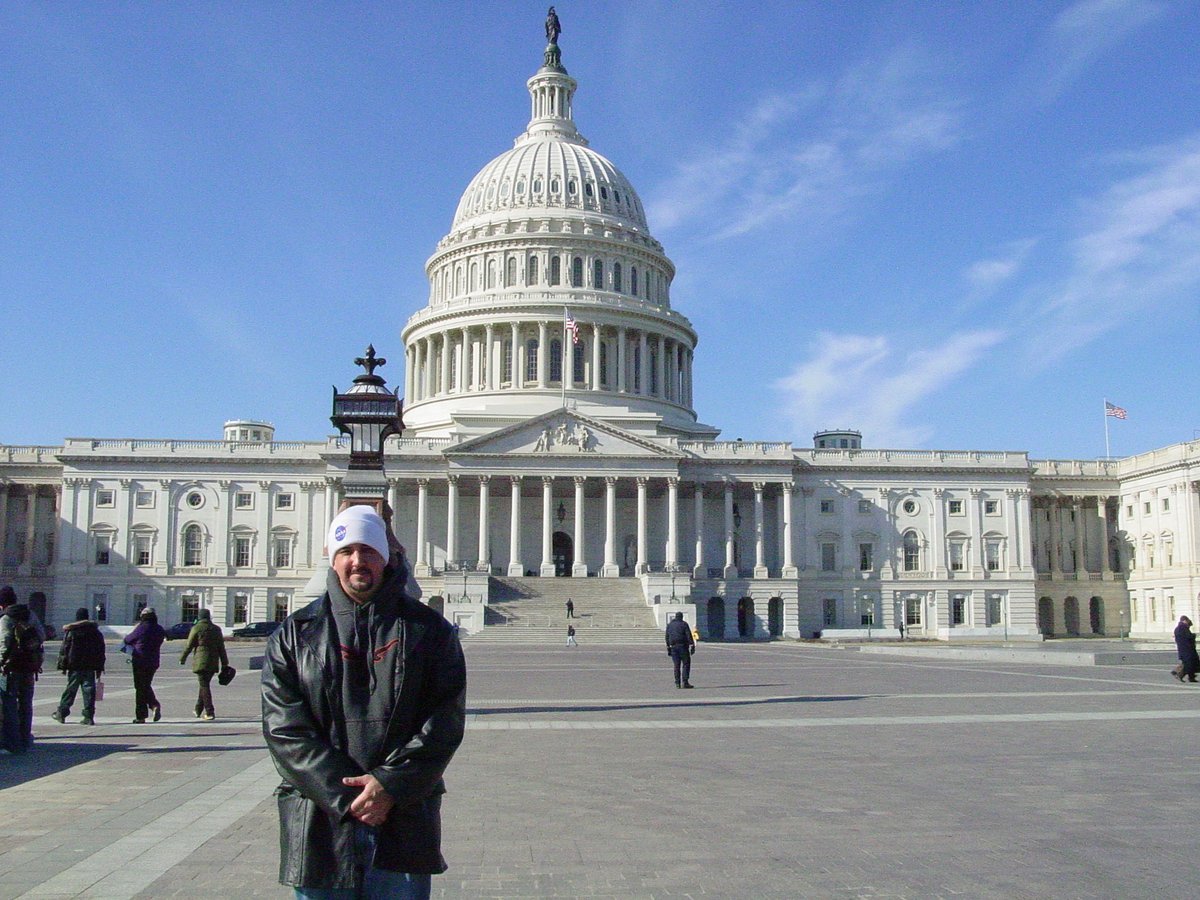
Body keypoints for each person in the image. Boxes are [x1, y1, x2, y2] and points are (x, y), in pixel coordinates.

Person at [262, 504, 466, 899]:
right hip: (320, 821)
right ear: (332, 558)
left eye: (369, 550)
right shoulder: (293, 635)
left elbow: (445, 721)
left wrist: (389, 786)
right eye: (347, 551)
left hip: (402, 819)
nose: (358, 561)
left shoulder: (430, 631)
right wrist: (350, 796)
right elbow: (284, 729)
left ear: (385, 557)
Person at [50, 607, 106, 726]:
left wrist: (63, 666)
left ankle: (62, 713)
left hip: (74, 665)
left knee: (70, 690)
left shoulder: (72, 631)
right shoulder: (95, 632)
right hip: (90, 665)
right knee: (89, 691)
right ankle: (89, 716)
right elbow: (101, 651)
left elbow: (65, 650)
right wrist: (100, 667)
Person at [180, 609, 228, 720]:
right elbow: (221, 648)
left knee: (204, 685)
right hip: (213, 661)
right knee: (204, 684)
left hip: (200, 661)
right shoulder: (216, 629)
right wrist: (225, 663)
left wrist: (182, 658)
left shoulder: (196, 628)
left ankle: (209, 711)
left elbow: (189, 645)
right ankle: (197, 709)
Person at [123, 607, 166, 722]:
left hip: (140, 660)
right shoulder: (159, 629)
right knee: (146, 685)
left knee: (140, 687)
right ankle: (153, 706)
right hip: (154, 661)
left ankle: (142, 715)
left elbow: (128, 639)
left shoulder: (141, 627)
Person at [665, 611, 695, 689]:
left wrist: (668, 647)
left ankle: (677, 682)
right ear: (681, 617)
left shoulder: (670, 625)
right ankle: (685, 682)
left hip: (673, 647)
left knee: (676, 665)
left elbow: (667, 636)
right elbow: (688, 635)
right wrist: (692, 645)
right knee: (686, 664)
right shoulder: (684, 624)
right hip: (683, 646)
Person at [1173, 615, 1198, 683]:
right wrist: (1193, 636)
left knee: (1191, 663)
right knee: (1189, 663)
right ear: (1185, 621)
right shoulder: (1183, 628)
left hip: (1184, 648)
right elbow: (1188, 637)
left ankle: (1191, 676)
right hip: (1187, 649)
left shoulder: (1179, 628)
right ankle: (1180, 674)